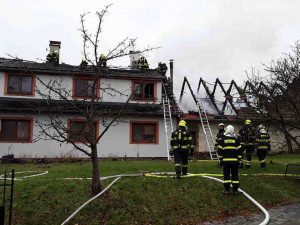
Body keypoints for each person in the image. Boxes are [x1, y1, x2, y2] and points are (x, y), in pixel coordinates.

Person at [218, 125, 242, 194]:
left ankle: (227, 190)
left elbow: (220, 150)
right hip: (234, 161)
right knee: (235, 175)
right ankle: (235, 190)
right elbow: (239, 151)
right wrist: (239, 160)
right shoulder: (236, 140)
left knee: (226, 175)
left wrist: (221, 159)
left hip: (225, 161)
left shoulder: (223, 140)